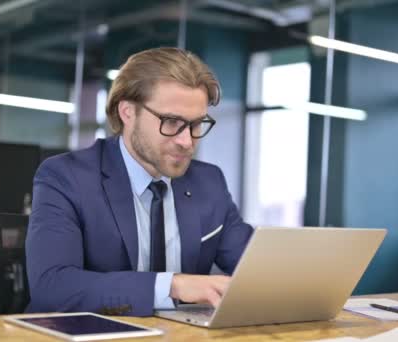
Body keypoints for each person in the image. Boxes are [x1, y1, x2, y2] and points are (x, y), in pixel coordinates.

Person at [26, 47, 254, 317]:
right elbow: (52, 288)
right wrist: (172, 286)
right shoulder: (66, 177)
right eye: (171, 122)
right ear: (127, 112)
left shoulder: (209, 182)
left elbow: (256, 269)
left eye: (196, 124)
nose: (187, 141)